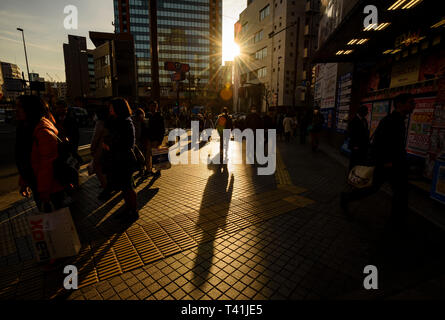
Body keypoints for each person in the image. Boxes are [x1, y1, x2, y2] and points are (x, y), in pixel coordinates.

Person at [341, 93, 416, 224]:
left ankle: (397, 219)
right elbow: (380, 142)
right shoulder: (390, 121)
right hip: (387, 164)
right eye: (410, 102)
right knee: (371, 188)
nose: (413, 106)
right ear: (400, 104)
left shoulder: (399, 120)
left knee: (400, 191)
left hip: (395, 164)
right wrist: (385, 162)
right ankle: (347, 197)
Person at [104, 98, 138, 221]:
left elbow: (127, 143)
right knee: (124, 187)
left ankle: (133, 211)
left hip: (124, 159)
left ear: (118, 108)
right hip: (118, 159)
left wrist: (111, 145)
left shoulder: (125, 122)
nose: (110, 110)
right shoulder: (117, 121)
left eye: (112, 108)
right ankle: (128, 209)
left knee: (128, 187)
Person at [53, 100, 82, 166]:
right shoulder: (54, 119)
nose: (59, 109)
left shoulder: (71, 119)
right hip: (58, 147)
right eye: (57, 108)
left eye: (61, 107)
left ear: (65, 108)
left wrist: (74, 148)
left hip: (69, 147)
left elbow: (76, 135)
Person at [90, 106, 109, 198]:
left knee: (98, 168)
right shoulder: (110, 122)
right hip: (108, 149)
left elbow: (95, 137)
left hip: (100, 150)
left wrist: (92, 149)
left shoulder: (100, 123)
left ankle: (106, 188)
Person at [144, 101, 165, 177]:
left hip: (156, 139)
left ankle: (158, 170)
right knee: (148, 155)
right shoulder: (147, 115)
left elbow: (162, 129)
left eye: (154, 106)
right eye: (151, 106)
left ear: (156, 107)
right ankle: (148, 170)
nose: (152, 108)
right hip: (149, 138)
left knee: (157, 155)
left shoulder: (159, 116)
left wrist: (160, 140)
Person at [347, 105, 370, 170]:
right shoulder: (353, 120)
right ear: (361, 112)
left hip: (363, 146)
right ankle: (351, 175)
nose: (367, 113)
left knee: (360, 162)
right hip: (356, 146)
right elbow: (351, 133)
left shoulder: (364, 120)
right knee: (353, 162)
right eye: (366, 111)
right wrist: (355, 145)